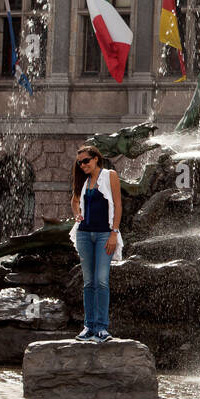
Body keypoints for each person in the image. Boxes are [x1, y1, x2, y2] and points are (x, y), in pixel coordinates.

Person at [72, 144, 121, 343]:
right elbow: (74, 201)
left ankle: (102, 328)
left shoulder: (110, 176)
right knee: (88, 282)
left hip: (104, 235)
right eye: (80, 162)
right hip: (84, 235)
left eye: (86, 161)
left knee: (101, 281)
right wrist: (77, 215)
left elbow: (118, 205)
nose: (82, 165)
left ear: (96, 159)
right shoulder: (83, 180)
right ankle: (88, 326)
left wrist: (114, 233)